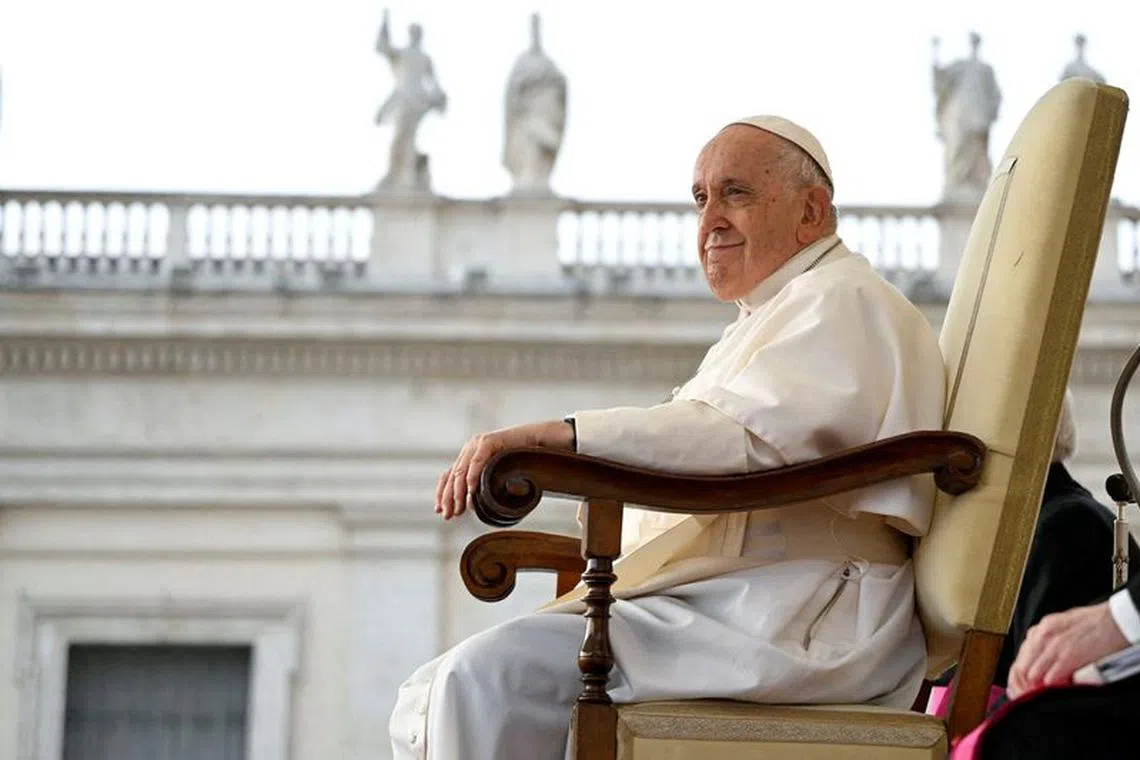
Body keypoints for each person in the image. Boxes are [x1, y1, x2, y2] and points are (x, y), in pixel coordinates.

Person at [389, 115, 947, 760]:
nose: (710, 218)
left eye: (735, 192)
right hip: (752, 599)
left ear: (811, 211)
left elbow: (733, 442)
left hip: (805, 614)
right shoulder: (775, 312)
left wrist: (559, 440)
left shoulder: (844, 299)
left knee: (486, 679)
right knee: (437, 686)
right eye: (700, 197)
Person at [375, 10, 447, 191]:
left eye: (417, 32)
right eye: (413, 31)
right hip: (403, 98)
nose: (415, 35)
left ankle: (405, 173)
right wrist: (385, 21)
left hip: (418, 99)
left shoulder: (424, 58)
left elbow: (433, 82)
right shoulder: (403, 54)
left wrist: (439, 97)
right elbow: (382, 46)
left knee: (408, 136)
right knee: (401, 136)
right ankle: (398, 173)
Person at [932, 32, 1002, 202]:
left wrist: (991, 112)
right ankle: (959, 183)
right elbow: (940, 81)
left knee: (976, 152)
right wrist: (935, 53)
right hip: (961, 116)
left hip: (978, 116)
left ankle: (973, 183)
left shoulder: (985, 69)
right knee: (958, 147)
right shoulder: (960, 66)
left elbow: (995, 95)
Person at [503, 13, 567, 195]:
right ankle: (529, 177)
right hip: (529, 113)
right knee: (530, 144)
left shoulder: (549, 65)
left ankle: (534, 178)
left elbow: (560, 85)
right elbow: (514, 88)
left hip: (544, 110)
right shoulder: (523, 62)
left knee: (542, 143)